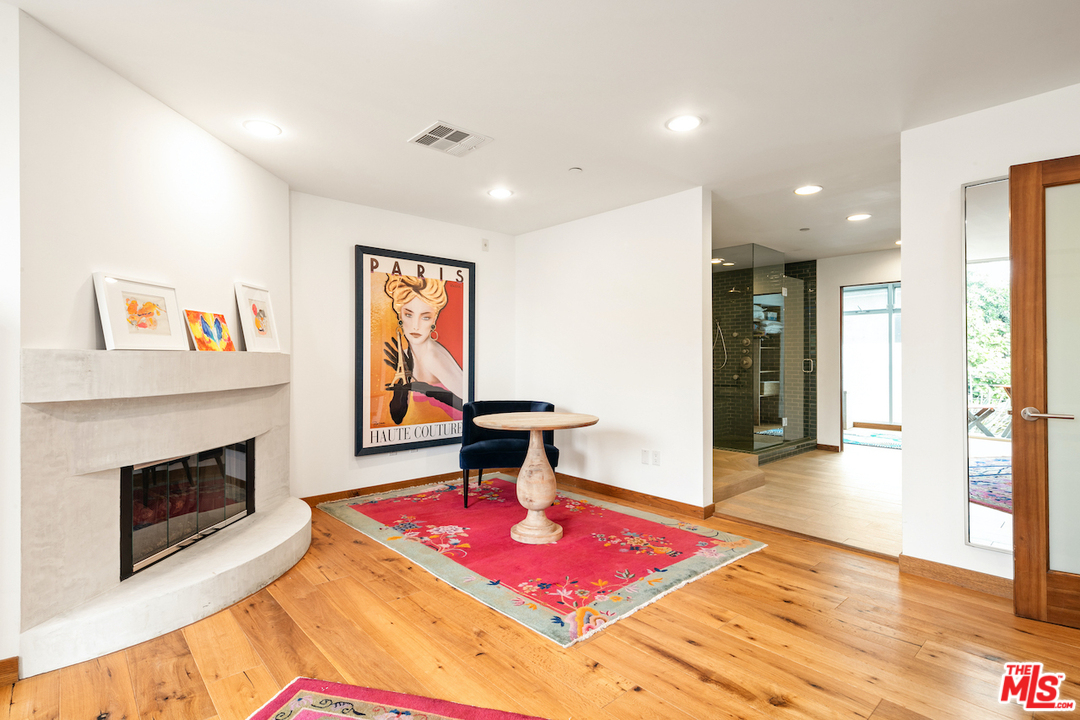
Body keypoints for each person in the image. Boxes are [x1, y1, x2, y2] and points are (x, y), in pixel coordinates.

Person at [382, 275, 463, 423]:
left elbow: (470, 406)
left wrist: (426, 389)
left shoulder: (433, 357)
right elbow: (397, 417)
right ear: (399, 315)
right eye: (408, 315)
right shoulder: (406, 356)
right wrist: (402, 387)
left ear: (434, 319)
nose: (415, 326)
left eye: (425, 317)